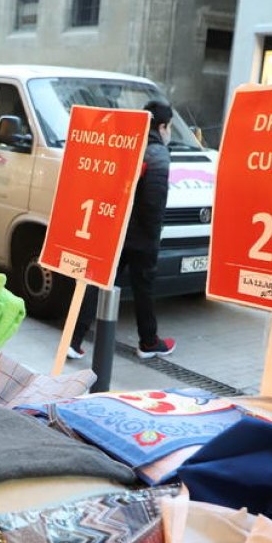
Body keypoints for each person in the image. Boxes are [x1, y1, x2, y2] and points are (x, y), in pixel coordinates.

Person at [68, 100, 177, 360]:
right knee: (144, 288)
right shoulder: (157, 153)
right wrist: (152, 237)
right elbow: (154, 200)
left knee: (96, 282)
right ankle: (149, 342)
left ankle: (73, 340)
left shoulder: (126, 143)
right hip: (141, 235)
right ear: (162, 127)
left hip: (115, 229)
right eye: (170, 127)